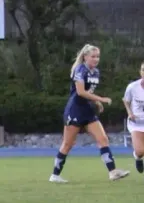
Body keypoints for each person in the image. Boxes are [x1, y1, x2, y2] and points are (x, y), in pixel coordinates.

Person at [51, 44, 130, 184]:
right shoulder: (80, 69)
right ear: (85, 57)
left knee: (103, 139)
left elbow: (89, 92)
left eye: (98, 56)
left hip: (87, 110)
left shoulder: (96, 72)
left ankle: (112, 172)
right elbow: (80, 92)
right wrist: (101, 99)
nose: (96, 59)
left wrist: (96, 103)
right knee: (68, 144)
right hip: (75, 110)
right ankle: (55, 175)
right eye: (93, 56)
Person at [122, 61, 144, 174]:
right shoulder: (132, 87)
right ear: (140, 72)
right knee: (140, 151)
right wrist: (130, 113)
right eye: (143, 70)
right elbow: (125, 100)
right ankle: (138, 157)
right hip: (137, 123)